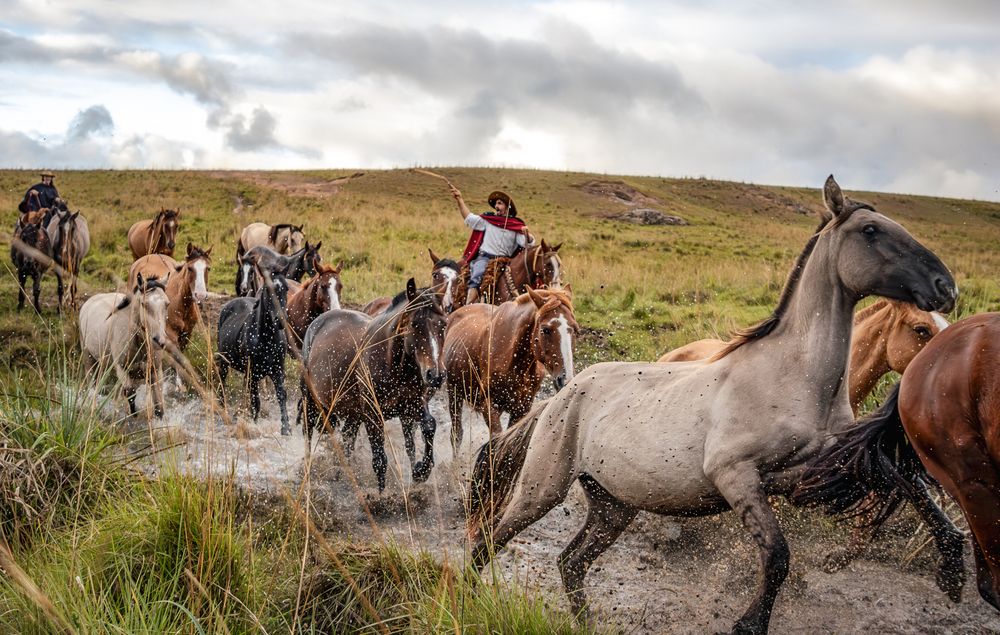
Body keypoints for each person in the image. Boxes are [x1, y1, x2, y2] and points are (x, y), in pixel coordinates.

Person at [451, 185, 535, 304]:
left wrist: (527, 235)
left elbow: (526, 244)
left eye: (500, 203)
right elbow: (469, 218)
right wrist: (460, 200)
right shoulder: (488, 220)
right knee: (477, 274)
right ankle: (469, 304)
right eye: (496, 204)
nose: (496, 206)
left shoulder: (516, 225)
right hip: (485, 258)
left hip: (505, 261)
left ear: (507, 206)